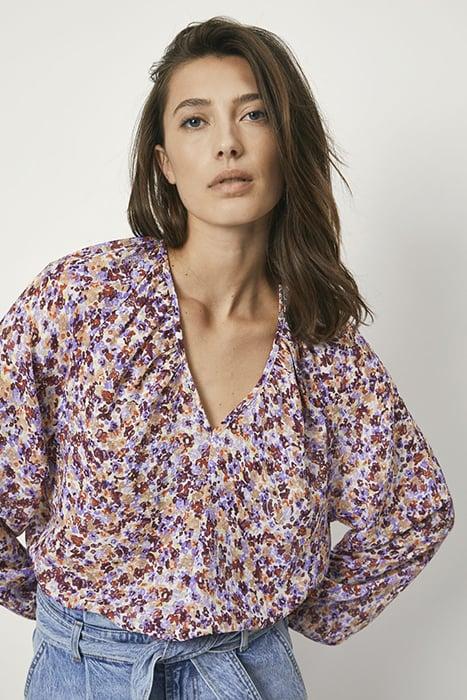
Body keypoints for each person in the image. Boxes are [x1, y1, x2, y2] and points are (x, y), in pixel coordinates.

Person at [0, 15, 455, 700]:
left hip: (243, 675)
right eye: (195, 121)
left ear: (286, 143)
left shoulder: (324, 352)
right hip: (84, 673)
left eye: (254, 114)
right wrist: (63, 616)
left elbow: (413, 510)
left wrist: (290, 618)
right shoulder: (85, 299)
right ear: (164, 163)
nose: (226, 143)